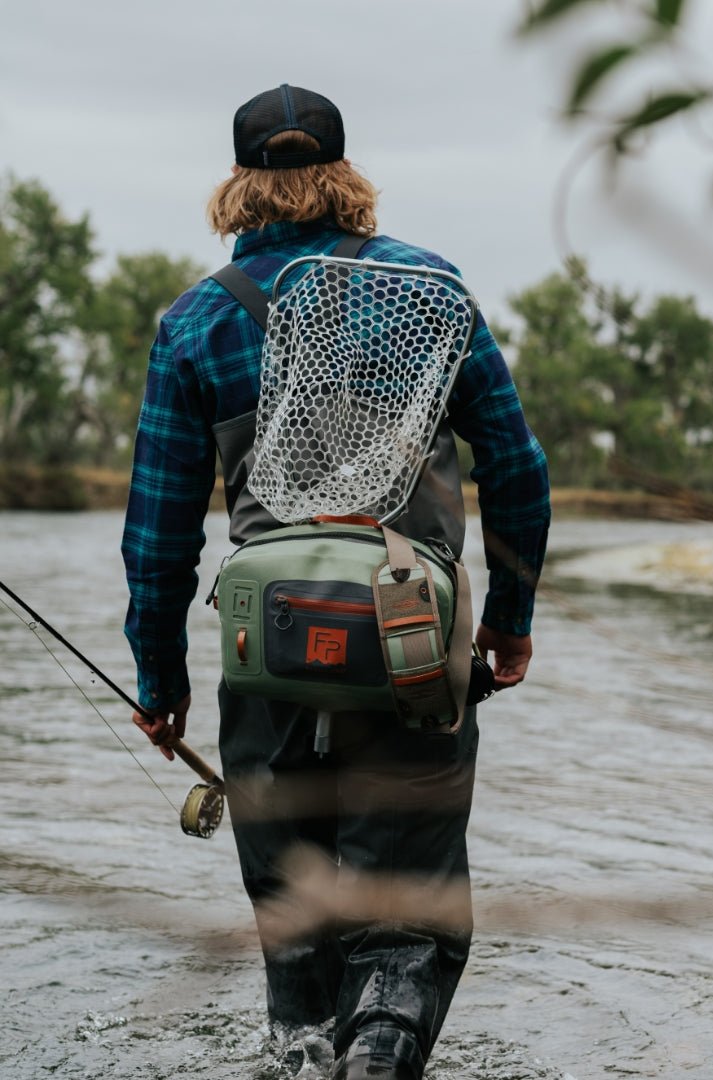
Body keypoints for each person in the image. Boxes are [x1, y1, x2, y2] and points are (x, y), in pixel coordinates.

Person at [122, 84, 550, 1080]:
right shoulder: (433, 288)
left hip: (265, 664)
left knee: (294, 929)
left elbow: (158, 535)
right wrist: (511, 625)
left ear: (237, 187)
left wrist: (161, 684)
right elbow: (517, 471)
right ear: (347, 180)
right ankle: (384, 1049)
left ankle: (308, 1052)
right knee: (406, 929)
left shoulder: (193, 324)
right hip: (411, 650)